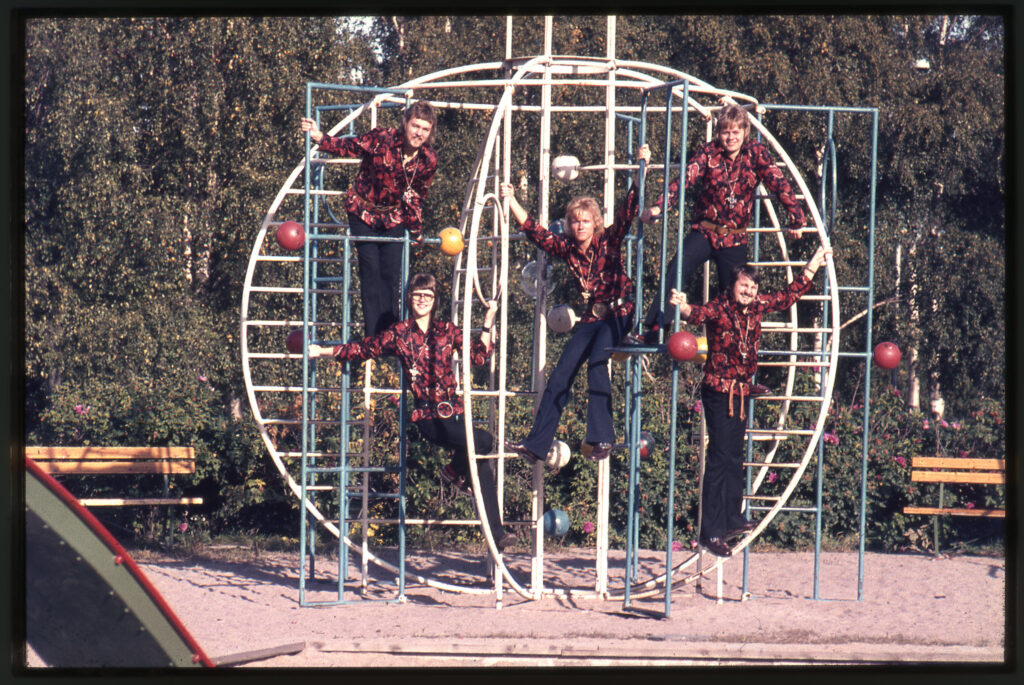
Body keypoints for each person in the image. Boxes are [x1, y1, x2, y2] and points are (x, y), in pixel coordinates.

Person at [308, 273, 516, 552]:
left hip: (453, 414)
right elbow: (365, 348)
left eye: (427, 295)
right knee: (485, 442)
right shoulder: (399, 332)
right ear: (410, 298)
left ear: (435, 300)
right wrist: (323, 351)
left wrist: (489, 319)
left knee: (481, 460)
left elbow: (479, 355)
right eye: (417, 295)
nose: (422, 300)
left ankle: (497, 533)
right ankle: (453, 471)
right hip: (429, 418)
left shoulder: (446, 330)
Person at [669, 245, 831, 557]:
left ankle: (732, 518)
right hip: (719, 392)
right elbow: (699, 313)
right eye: (744, 285)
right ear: (732, 286)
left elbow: (787, 296)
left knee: (734, 458)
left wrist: (812, 266)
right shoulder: (720, 307)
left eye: (753, 286)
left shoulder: (756, 307)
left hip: (741, 392)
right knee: (718, 459)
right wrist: (684, 307)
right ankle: (710, 532)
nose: (749, 291)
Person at [500, 145, 651, 465]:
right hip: (592, 318)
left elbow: (628, 210)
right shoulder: (567, 248)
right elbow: (535, 232)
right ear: (569, 225)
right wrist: (511, 199)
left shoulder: (608, 239)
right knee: (561, 374)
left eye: (585, 221)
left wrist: (641, 168)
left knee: (598, 363)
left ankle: (603, 437)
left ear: (595, 222)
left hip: (619, 312)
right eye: (575, 221)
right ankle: (536, 444)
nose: (580, 225)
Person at [635, 104, 807, 344]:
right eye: (726, 132)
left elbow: (779, 183)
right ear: (719, 133)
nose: (730, 138)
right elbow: (684, 179)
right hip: (705, 230)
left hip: (734, 237)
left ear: (745, 132)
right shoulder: (709, 152)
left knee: (736, 294)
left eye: (736, 132)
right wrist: (658, 207)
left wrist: (796, 219)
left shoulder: (756, 153)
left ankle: (732, 343)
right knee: (677, 268)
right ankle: (654, 330)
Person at [300, 102, 438, 337]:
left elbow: (416, 197)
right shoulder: (382, 139)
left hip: (394, 216)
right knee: (371, 269)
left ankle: (391, 335)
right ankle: (374, 336)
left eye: (425, 129)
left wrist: (416, 232)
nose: (419, 133)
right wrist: (319, 136)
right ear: (405, 124)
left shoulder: (428, 160)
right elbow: (349, 147)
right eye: (415, 126)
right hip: (363, 211)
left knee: (391, 275)